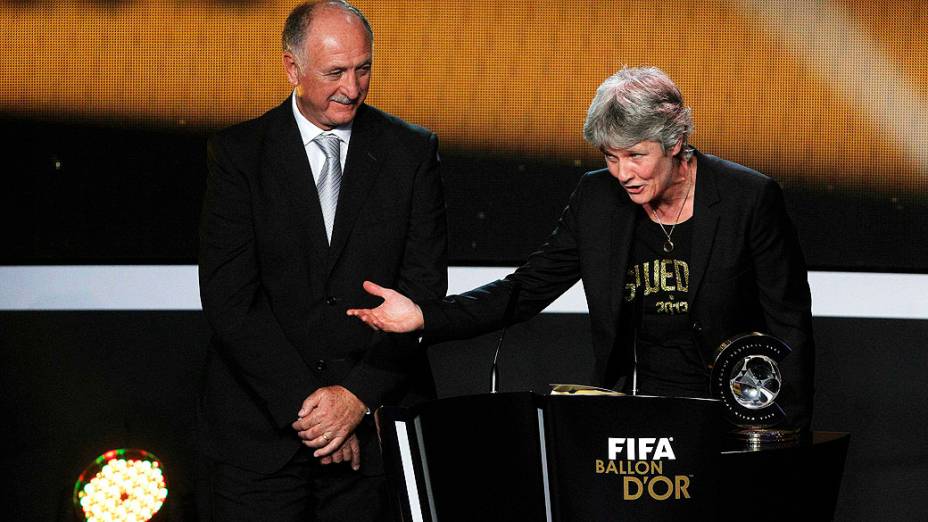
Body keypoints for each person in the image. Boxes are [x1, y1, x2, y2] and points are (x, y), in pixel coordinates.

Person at [348, 66, 814, 431]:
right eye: (610, 157)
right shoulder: (598, 199)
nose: (623, 173)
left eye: (635, 155)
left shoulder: (747, 199)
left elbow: (788, 321)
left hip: (732, 415)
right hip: (638, 416)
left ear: (675, 142)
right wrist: (426, 317)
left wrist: (785, 433)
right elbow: (526, 288)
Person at [197, 1, 447, 519]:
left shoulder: (411, 152)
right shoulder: (240, 155)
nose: (352, 89)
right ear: (292, 67)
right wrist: (315, 412)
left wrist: (354, 400)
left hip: (373, 441)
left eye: (363, 69)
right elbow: (231, 302)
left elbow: (421, 291)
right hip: (259, 442)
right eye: (335, 72)